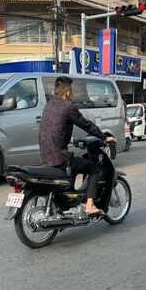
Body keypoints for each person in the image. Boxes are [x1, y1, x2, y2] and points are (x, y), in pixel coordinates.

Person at [38, 76, 116, 215]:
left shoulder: (49, 105)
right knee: (94, 168)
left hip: (45, 156)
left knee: (76, 163)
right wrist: (104, 138)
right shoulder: (69, 107)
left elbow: (56, 128)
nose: (72, 94)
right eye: (72, 91)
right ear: (67, 92)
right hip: (59, 157)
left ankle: (71, 197)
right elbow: (86, 124)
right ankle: (90, 205)